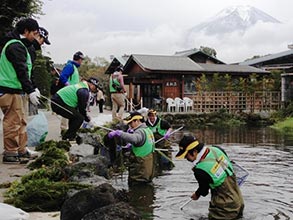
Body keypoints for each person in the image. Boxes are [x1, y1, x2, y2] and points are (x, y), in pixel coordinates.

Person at [0, 18, 41, 164]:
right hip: (9, 90)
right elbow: (21, 70)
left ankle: (22, 149)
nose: (35, 37)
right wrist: (30, 90)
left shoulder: (20, 45)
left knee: (21, 120)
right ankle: (10, 152)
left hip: (16, 90)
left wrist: (32, 87)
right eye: (34, 33)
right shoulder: (15, 46)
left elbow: (26, 71)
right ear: (26, 31)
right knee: (12, 122)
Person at [176, 135, 244, 220]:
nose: (186, 159)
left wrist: (196, 194)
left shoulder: (200, 170)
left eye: (186, 156)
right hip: (238, 200)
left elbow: (204, 191)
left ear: (194, 152)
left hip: (224, 209)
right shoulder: (217, 149)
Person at [107, 111, 155, 186]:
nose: (130, 125)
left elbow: (135, 139)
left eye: (131, 123)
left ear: (137, 121)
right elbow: (142, 143)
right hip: (148, 172)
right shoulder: (148, 131)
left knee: (136, 192)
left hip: (139, 173)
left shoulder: (140, 131)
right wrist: (131, 145)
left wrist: (120, 133)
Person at [58, 51, 84, 133]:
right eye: (81, 60)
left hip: (74, 93)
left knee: (72, 113)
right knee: (67, 112)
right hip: (69, 93)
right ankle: (64, 130)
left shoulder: (75, 68)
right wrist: (67, 85)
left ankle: (70, 130)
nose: (81, 62)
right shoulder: (70, 66)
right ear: (79, 59)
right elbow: (63, 76)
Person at [28, 26, 51, 116]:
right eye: (43, 40)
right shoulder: (30, 49)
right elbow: (25, 70)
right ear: (37, 35)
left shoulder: (31, 48)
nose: (42, 44)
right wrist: (31, 88)